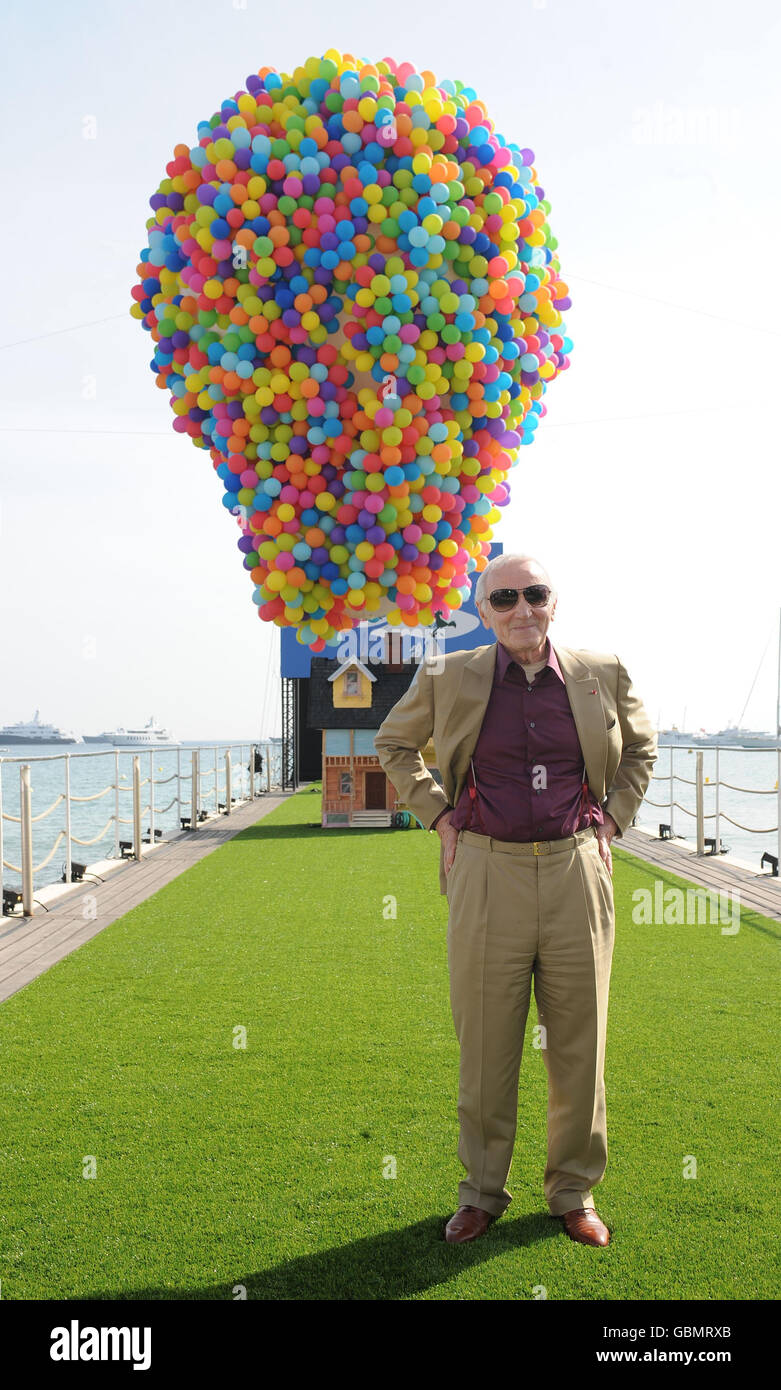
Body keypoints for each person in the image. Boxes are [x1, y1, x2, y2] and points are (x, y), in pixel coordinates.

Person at [374, 554, 657, 1247]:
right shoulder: (447, 675)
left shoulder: (601, 671)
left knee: (578, 1044)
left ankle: (572, 1192)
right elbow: (394, 744)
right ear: (483, 610)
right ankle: (480, 1193)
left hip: (574, 873)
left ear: (553, 602)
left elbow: (641, 750)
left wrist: (612, 821)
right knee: (485, 1043)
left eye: (534, 595)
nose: (521, 609)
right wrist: (440, 817)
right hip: (485, 872)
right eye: (504, 598)